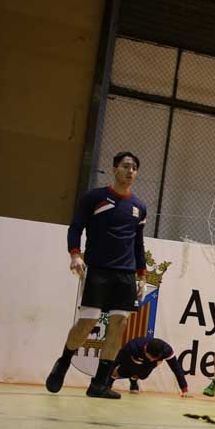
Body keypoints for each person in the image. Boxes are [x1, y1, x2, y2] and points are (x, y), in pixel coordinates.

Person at [45, 151, 147, 400]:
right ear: (114, 169)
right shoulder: (94, 198)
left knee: (118, 325)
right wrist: (75, 254)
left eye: (134, 167)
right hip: (98, 270)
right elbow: (76, 227)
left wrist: (141, 274)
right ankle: (64, 362)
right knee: (87, 323)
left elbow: (138, 245)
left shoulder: (139, 207)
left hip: (125, 275)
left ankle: (99, 384)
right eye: (125, 166)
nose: (130, 171)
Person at [109, 337, 190, 397]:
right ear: (145, 348)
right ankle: (111, 381)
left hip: (145, 366)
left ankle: (134, 379)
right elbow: (116, 361)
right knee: (121, 371)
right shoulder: (133, 346)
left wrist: (184, 389)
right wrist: (107, 380)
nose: (152, 360)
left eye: (155, 358)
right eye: (151, 357)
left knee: (144, 375)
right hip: (131, 361)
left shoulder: (166, 350)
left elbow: (176, 368)